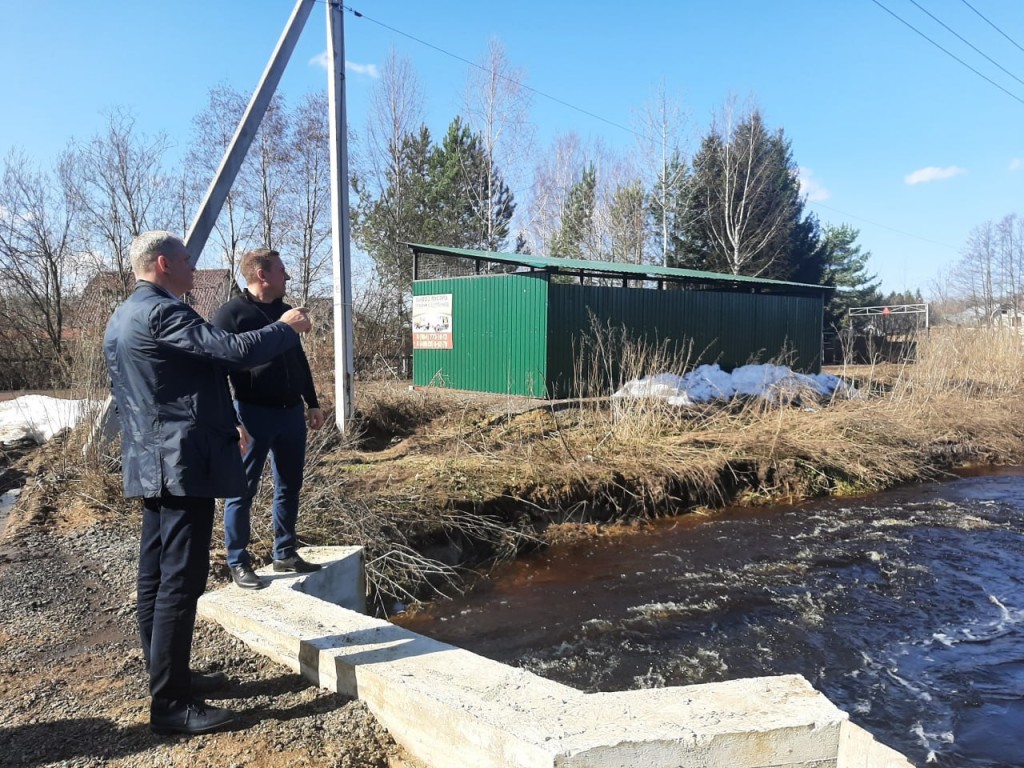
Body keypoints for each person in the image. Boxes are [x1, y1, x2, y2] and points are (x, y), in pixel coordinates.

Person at [103, 231, 312, 736]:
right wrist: (285, 329)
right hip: (182, 464)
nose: (194, 268)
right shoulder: (163, 312)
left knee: (154, 575)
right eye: (187, 261)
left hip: (154, 459)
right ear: (162, 263)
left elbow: (171, 384)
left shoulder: (123, 315)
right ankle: (172, 706)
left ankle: (169, 678)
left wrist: (224, 418)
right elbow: (229, 351)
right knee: (181, 580)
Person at [211, 248, 324, 590]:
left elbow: (298, 360)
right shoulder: (231, 315)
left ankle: (285, 552)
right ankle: (237, 561)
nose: (287, 277)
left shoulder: (286, 312)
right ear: (263, 275)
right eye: (281, 271)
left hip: (291, 414)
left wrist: (312, 402)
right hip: (252, 415)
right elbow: (216, 374)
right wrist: (231, 419)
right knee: (241, 490)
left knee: (290, 485)